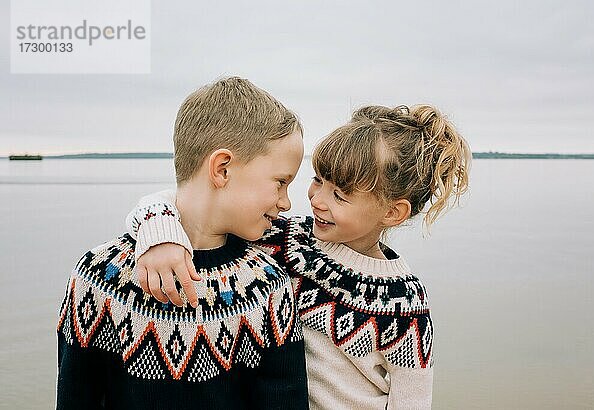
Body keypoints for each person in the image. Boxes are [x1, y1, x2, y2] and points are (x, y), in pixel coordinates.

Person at [126, 104, 471, 409]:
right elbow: (185, 199)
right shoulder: (286, 239)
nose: (318, 199)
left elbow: (411, 400)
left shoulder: (404, 303)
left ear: (393, 212)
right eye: (318, 180)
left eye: (340, 194)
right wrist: (162, 236)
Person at [56, 77, 309, 410]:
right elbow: (76, 397)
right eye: (280, 182)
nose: (285, 203)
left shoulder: (267, 285)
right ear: (222, 169)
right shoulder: (100, 277)